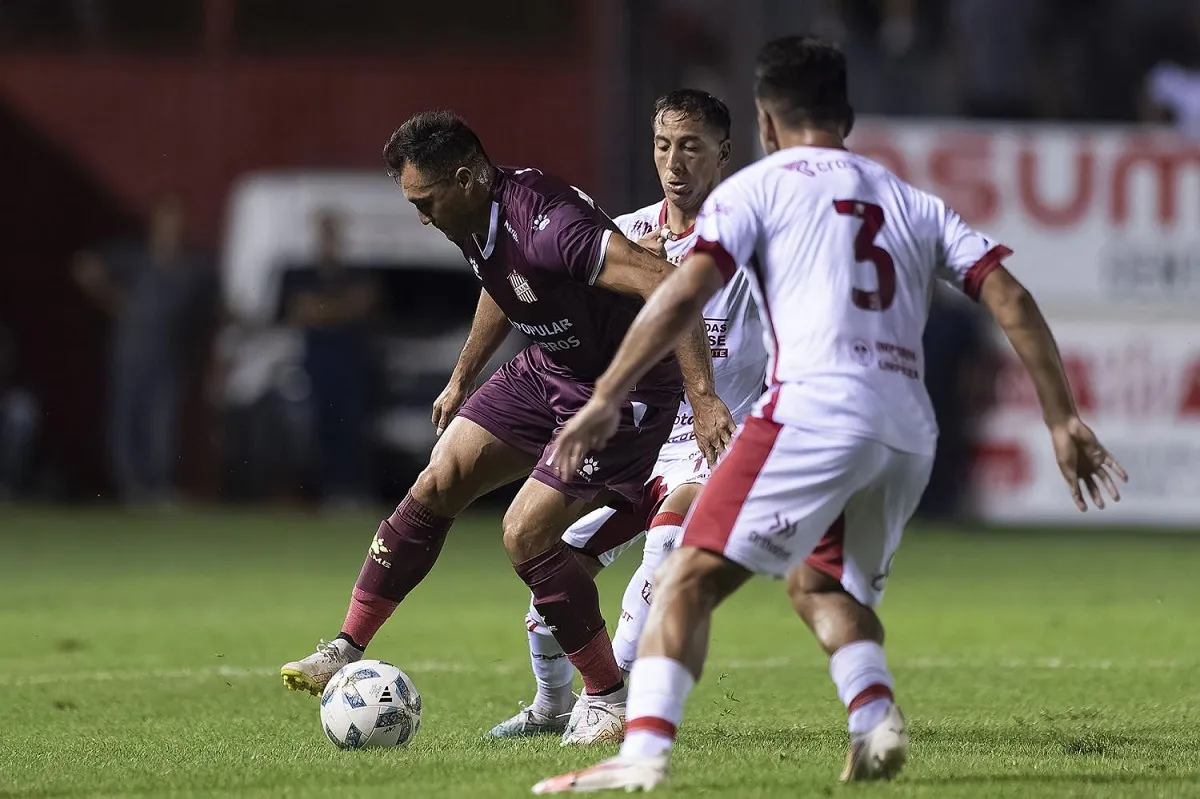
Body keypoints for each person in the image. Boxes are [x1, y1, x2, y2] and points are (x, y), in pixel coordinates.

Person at [533, 36, 1127, 793]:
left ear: (765, 121)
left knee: (684, 578)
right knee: (821, 590)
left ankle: (639, 757)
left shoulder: (760, 188)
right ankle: (874, 715)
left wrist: (609, 395)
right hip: (907, 431)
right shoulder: (910, 197)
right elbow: (1007, 293)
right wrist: (1062, 418)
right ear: (845, 117)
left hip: (813, 414)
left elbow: (680, 292)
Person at [280, 110, 736, 746]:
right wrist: (463, 374)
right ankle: (346, 645)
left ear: (465, 178)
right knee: (438, 478)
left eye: (425, 201)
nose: (420, 216)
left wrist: (705, 396)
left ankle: (607, 701)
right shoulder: (473, 216)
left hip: (622, 389)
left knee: (524, 533)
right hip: (549, 366)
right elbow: (502, 282)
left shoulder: (553, 227)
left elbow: (671, 282)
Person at [487, 90, 769, 743]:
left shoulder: (754, 242)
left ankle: (618, 708)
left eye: (692, 145)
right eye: (664, 144)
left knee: (665, 549)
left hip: (714, 442)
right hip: (638, 441)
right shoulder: (627, 234)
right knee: (551, 588)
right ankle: (554, 704)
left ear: (723, 151)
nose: (675, 162)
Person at [73, 193, 214, 506]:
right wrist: (113, 300)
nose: (174, 226)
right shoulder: (132, 257)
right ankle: (131, 487)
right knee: (127, 418)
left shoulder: (195, 268)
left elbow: (208, 313)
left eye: (179, 219)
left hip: (172, 358)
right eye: (168, 219)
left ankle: (158, 486)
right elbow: (84, 266)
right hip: (131, 353)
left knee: (162, 421)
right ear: (155, 223)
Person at [281, 209, 381, 508]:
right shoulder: (300, 274)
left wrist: (322, 310)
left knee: (349, 427)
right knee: (318, 428)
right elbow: (301, 311)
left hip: (349, 366)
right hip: (316, 366)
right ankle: (323, 492)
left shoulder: (356, 272)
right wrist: (340, 308)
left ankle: (349, 489)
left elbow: (359, 305)